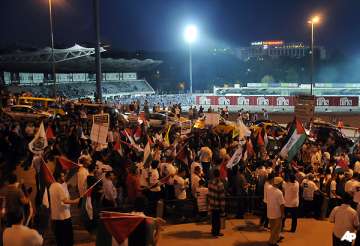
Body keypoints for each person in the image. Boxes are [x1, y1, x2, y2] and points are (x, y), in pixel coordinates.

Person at [49, 171, 80, 246]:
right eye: (62, 176)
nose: (64, 178)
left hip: (56, 217)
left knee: (59, 238)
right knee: (67, 238)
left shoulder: (51, 186)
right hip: (64, 216)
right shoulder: (59, 186)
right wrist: (76, 201)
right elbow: (65, 201)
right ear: (58, 178)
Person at [267, 176, 285, 246]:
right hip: (277, 213)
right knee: (276, 229)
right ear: (279, 184)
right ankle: (272, 242)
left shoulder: (269, 189)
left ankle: (275, 238)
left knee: (272, 228)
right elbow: (282, 205)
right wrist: (283, 214)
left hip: (269, 212)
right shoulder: (279, 192)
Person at [208, 169, 225, 237]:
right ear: (219, 175)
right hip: (217, 205)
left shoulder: (210, 182)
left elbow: (209, 193)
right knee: (217, 220)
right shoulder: (220, 184)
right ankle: (216, 232)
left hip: (212, 204)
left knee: (214, 219)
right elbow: (221, 197)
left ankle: (213, 230)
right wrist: (222, 207)